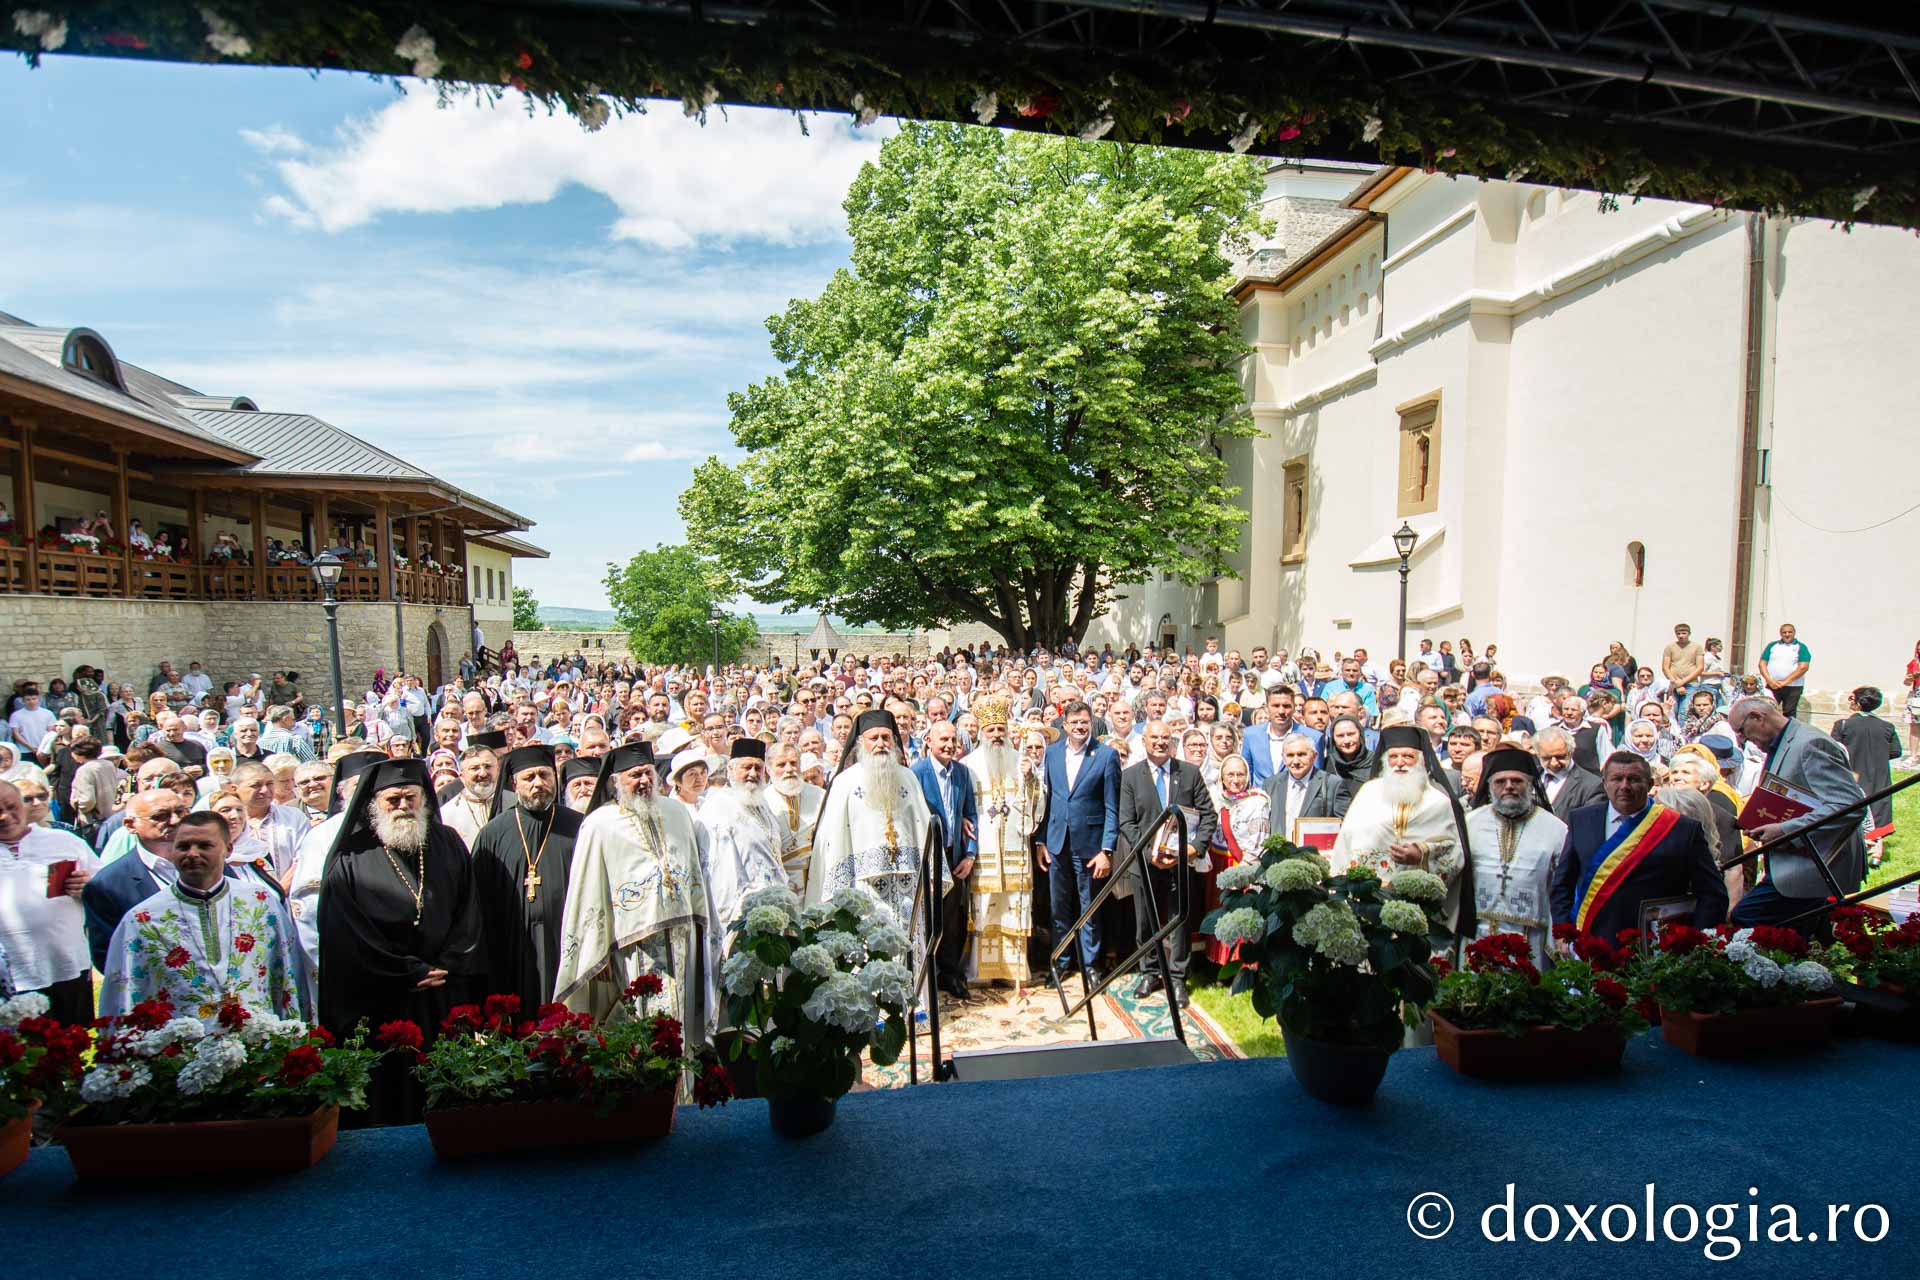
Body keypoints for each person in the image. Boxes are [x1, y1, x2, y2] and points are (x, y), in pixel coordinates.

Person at [318, 758, 485, 1125]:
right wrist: (407, 970)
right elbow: (346, 933)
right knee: (393, 1087)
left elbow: (469, 910)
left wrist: (452, 962)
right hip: (386, 994)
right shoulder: (351, 857)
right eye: (392, 800)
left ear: (424, 799)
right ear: (374, 803)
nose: (403, 806)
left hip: (443, 988)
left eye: (410, 797)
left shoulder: (447, 842)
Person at [552, 742, 720, 1041]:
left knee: (685, 1022)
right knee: (644, 1026)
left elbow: (696, 873)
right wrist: (597, 950)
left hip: (683, 935)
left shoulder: (677, 813)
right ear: (616, 781)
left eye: (647, 773)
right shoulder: (599, 825)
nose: (643, 780)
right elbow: (588, 890)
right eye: (634, 775)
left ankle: (687, 1087)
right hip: (634, 945)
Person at [98, 811, 306, 1024]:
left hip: (258, 1042)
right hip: (179, 1047)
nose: (193, 854)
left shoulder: (260, 903)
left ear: (228, 849)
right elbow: (124, 991)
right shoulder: (144, 918)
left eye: (204, 846)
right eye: (183, 846)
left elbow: (288, 972)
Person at [1549, 752, 1728, 939]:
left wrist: (1694, 941)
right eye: (1617, 779)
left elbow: (1712, 894)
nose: (1624, 786)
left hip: (1656, 950)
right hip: (1592, 942)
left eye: (1634, 779)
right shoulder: (1582, 820)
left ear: (1650, 785)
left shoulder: (1681, 828)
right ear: (1604, 783)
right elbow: (1563, 884)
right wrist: (1564, 932)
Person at [1726, 696, 1866, 930]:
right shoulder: (1785, 742)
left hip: (1817, 864)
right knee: (1801, 934)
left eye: (1741, 730)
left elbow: (1848, 806)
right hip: (1793, 862)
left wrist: (1783, 829)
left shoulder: (1810, 743)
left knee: (1747, 916)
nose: (1741, 739)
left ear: (1758, 717)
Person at [1330, 726, 1473, 942]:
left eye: (1408, 756)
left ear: (1422, 761)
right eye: (1393, 756)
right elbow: (1345, 843)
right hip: (1369, 903)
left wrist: (1421, 854)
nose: (1399, 762)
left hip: (1418, 907)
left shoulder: (1439, 802)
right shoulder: (1368, 793)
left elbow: (1456, 853)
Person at [469, 745, 583, 1013]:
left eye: (544, 775)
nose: (538, 784)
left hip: (566, 941)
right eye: (529, 778)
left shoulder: (579, 826)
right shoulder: (493, 835)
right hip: (511, 946)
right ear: (514, 783)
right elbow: (478, 901)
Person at [1118, 719, 1217, 1007]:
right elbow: (1127, 821)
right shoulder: (1131, 776)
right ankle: (1149, 972)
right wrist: (1150, 853)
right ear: (1144, 741)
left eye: (1165, 738)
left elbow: (1208, 816)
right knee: (1145, 921)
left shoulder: (1189, 773)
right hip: (1146, 863)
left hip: (1179, 864)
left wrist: (1192, 849)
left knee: (1179, 923)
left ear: (1172, 742)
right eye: (1154, 738)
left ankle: (1177, 978)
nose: (1160, 742)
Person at [0, 780, 98, 1025]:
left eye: (11, 806)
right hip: (11, 975)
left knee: (73, 1048)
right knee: (19, 1057)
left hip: (67, 964)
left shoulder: (64, 841)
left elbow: (103, 891)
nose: (5, 817)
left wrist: (87, 888)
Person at [958, 694, 1039, 987]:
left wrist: (1031, 781)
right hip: (984, 850)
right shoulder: (968, 765)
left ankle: (1015, 971)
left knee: (1014, 907)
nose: (996, 735)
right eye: (990, 730)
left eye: (1000, 729)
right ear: (981, 732)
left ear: (1008, 730)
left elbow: (1036, 806)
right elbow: (961, 804)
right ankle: (981, 972)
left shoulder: (1022, 763)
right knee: (984, 907)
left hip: (1015, 851)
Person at [1039, 701, 1120, 985]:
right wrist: (1041, 841)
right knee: (1058, 908)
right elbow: (1046, 801)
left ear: (1091, 722)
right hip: (1057, 842)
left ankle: (1091, 966)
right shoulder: (1051, 754)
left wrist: (1106, 850)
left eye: (1084, 722)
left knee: (1090, 908)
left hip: (1090, 845)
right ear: (1064, 725)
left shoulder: (1107, 756)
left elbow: (1112, 806)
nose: (1079, 727)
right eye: (1074, 723)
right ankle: (1061, 963)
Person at [1463, 748, 1567, 969]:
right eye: (1501, 781)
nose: (1508, 786)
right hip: (1477, 933)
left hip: (1531, 937)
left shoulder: (1556, 830)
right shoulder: (1469, 824)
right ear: (1490, 786)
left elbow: (1563, 886)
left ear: (1530, 786)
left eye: (1517, 781)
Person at [82, 786, 191, 973]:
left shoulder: (213, 863)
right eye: (160, 816)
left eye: (180, 812)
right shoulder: (107, 885)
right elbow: (108, 956)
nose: (175, 821)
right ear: (130, 825)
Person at [696, 739, 791, 936]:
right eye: (746, 767)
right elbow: (718, 870)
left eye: (758, 768)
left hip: (772, 909)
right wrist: (737, 913)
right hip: (739, 915)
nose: (753, 774)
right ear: (731, 770)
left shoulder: (761, 803)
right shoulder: (717, 806)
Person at [912, 719, 978, 999]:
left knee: (953, 919)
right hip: (927, 857)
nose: (949, 745)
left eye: (953, 740)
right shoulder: (916, 774)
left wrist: (971, 853)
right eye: (943, 740)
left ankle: (950, 973)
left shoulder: (962, 773)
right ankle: (926, 974)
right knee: (927, 917)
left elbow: (971, 814)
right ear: (929, 740)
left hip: (954, 856)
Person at [1830, 686, 1901, 862]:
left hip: (1852, 775)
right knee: (1877, 809)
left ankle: (1854, 850)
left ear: (1857, 702)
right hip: (1878, 775)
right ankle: (1876, 852)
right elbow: (1896, 751)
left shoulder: (1844, 725)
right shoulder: (1887, 727)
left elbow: (1834, 750)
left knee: (1852, 810)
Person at [1263, 732, 1351, 842]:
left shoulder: (1333, 784)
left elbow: (1346, 827)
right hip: (1277, 856)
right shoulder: (1270, 785)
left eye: (1301, 755)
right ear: (1283, 758)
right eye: (1290, 755)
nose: (1295, 761)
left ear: (1314, 756)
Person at [766, 743, 825, 892]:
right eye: (781, 765)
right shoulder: (763, 801)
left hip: (818, 878)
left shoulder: (820, 796)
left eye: (793, 763)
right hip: (780, 883)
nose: (789, 769)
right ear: (769, 770)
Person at [439, 742, 502, 851]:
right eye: (475, 768)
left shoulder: (515, 803)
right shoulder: (446, 814)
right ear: (462, 777)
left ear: (498, 771)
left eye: (488, 766)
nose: (483, 773)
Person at [1537, 727, 1605, 822]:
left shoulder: (1592, 786)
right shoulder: (1528, 778)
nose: (1554, 763)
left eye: (1560, 757)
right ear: (1537, 754)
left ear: (1571, 751)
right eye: (1546, 758)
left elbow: (1589, 825)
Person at [1756, 623, 1812, 720]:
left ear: (1794, 633)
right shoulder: (1772, 646)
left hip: (1793, 687)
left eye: (1789, 632)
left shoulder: (1800, 647)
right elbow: (1762, 664)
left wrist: (1784, 682)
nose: (1787, 634)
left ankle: (1788, 734)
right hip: (1773, 685)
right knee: (1767, 710)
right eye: (1784, 632)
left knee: (1789, 713)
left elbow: (1803, 667)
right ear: (1780, 633)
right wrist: (1769, 680)